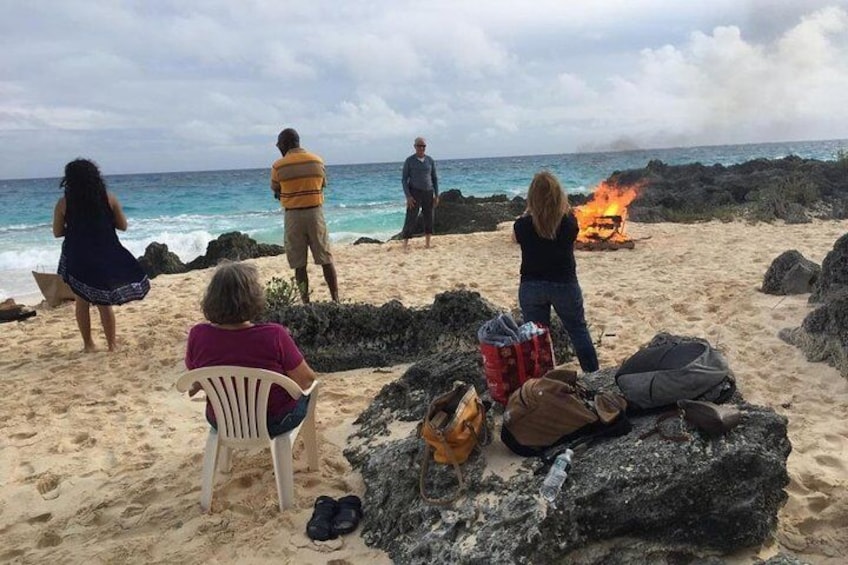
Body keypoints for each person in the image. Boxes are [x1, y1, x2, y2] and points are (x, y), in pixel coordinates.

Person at [185, 261, 317, 436]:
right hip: (273, 421)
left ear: (211, 299)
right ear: (253, 298)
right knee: (308, 394)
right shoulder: (274, 335)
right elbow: (306, 380)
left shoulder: (198, 335)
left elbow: (197, 376)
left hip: (223, 421)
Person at [52, 158, 150, 352]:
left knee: (82, 301)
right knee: (104, 301)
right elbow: (123, 226)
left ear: (69, 180)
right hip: (104, 254)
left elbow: (57, 232)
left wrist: (76, 229)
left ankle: (88, 344)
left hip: (78, 255)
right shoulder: (109, 198)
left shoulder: (63, 203)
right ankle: (112, 345)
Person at [513, 171, 599, 373]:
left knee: (535, 339)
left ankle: (542, 383)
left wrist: (530, 211)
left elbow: (516, 237)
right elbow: (565, 226)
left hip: (531, 285)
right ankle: (594, 375)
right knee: (578, 330)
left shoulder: (522, 225)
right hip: (564, 283)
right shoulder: (569, 223)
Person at [270, 128, 339, 303]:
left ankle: (306, 301)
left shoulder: (278, 166)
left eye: (279, 144)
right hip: (315, 213)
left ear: (285, 144)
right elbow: (323, 184)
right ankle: (335, 298)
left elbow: (275, 188)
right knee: (325, 258)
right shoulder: (317, 161)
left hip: (293, 216)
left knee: (299, 264)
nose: (279, 147)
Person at [401, 136, 439, 249]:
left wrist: (437, 195)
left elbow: (434, 178)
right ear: (415, 146)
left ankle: (427, 244)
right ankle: (405, 244)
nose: (421, 148)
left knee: (429, 217)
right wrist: (408, 196)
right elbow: (404, 179)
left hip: (428, 192)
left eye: (423, 146)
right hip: (414, 193)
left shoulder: (430, 160)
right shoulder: (409, 161)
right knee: (411, 217)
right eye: (419, 146)